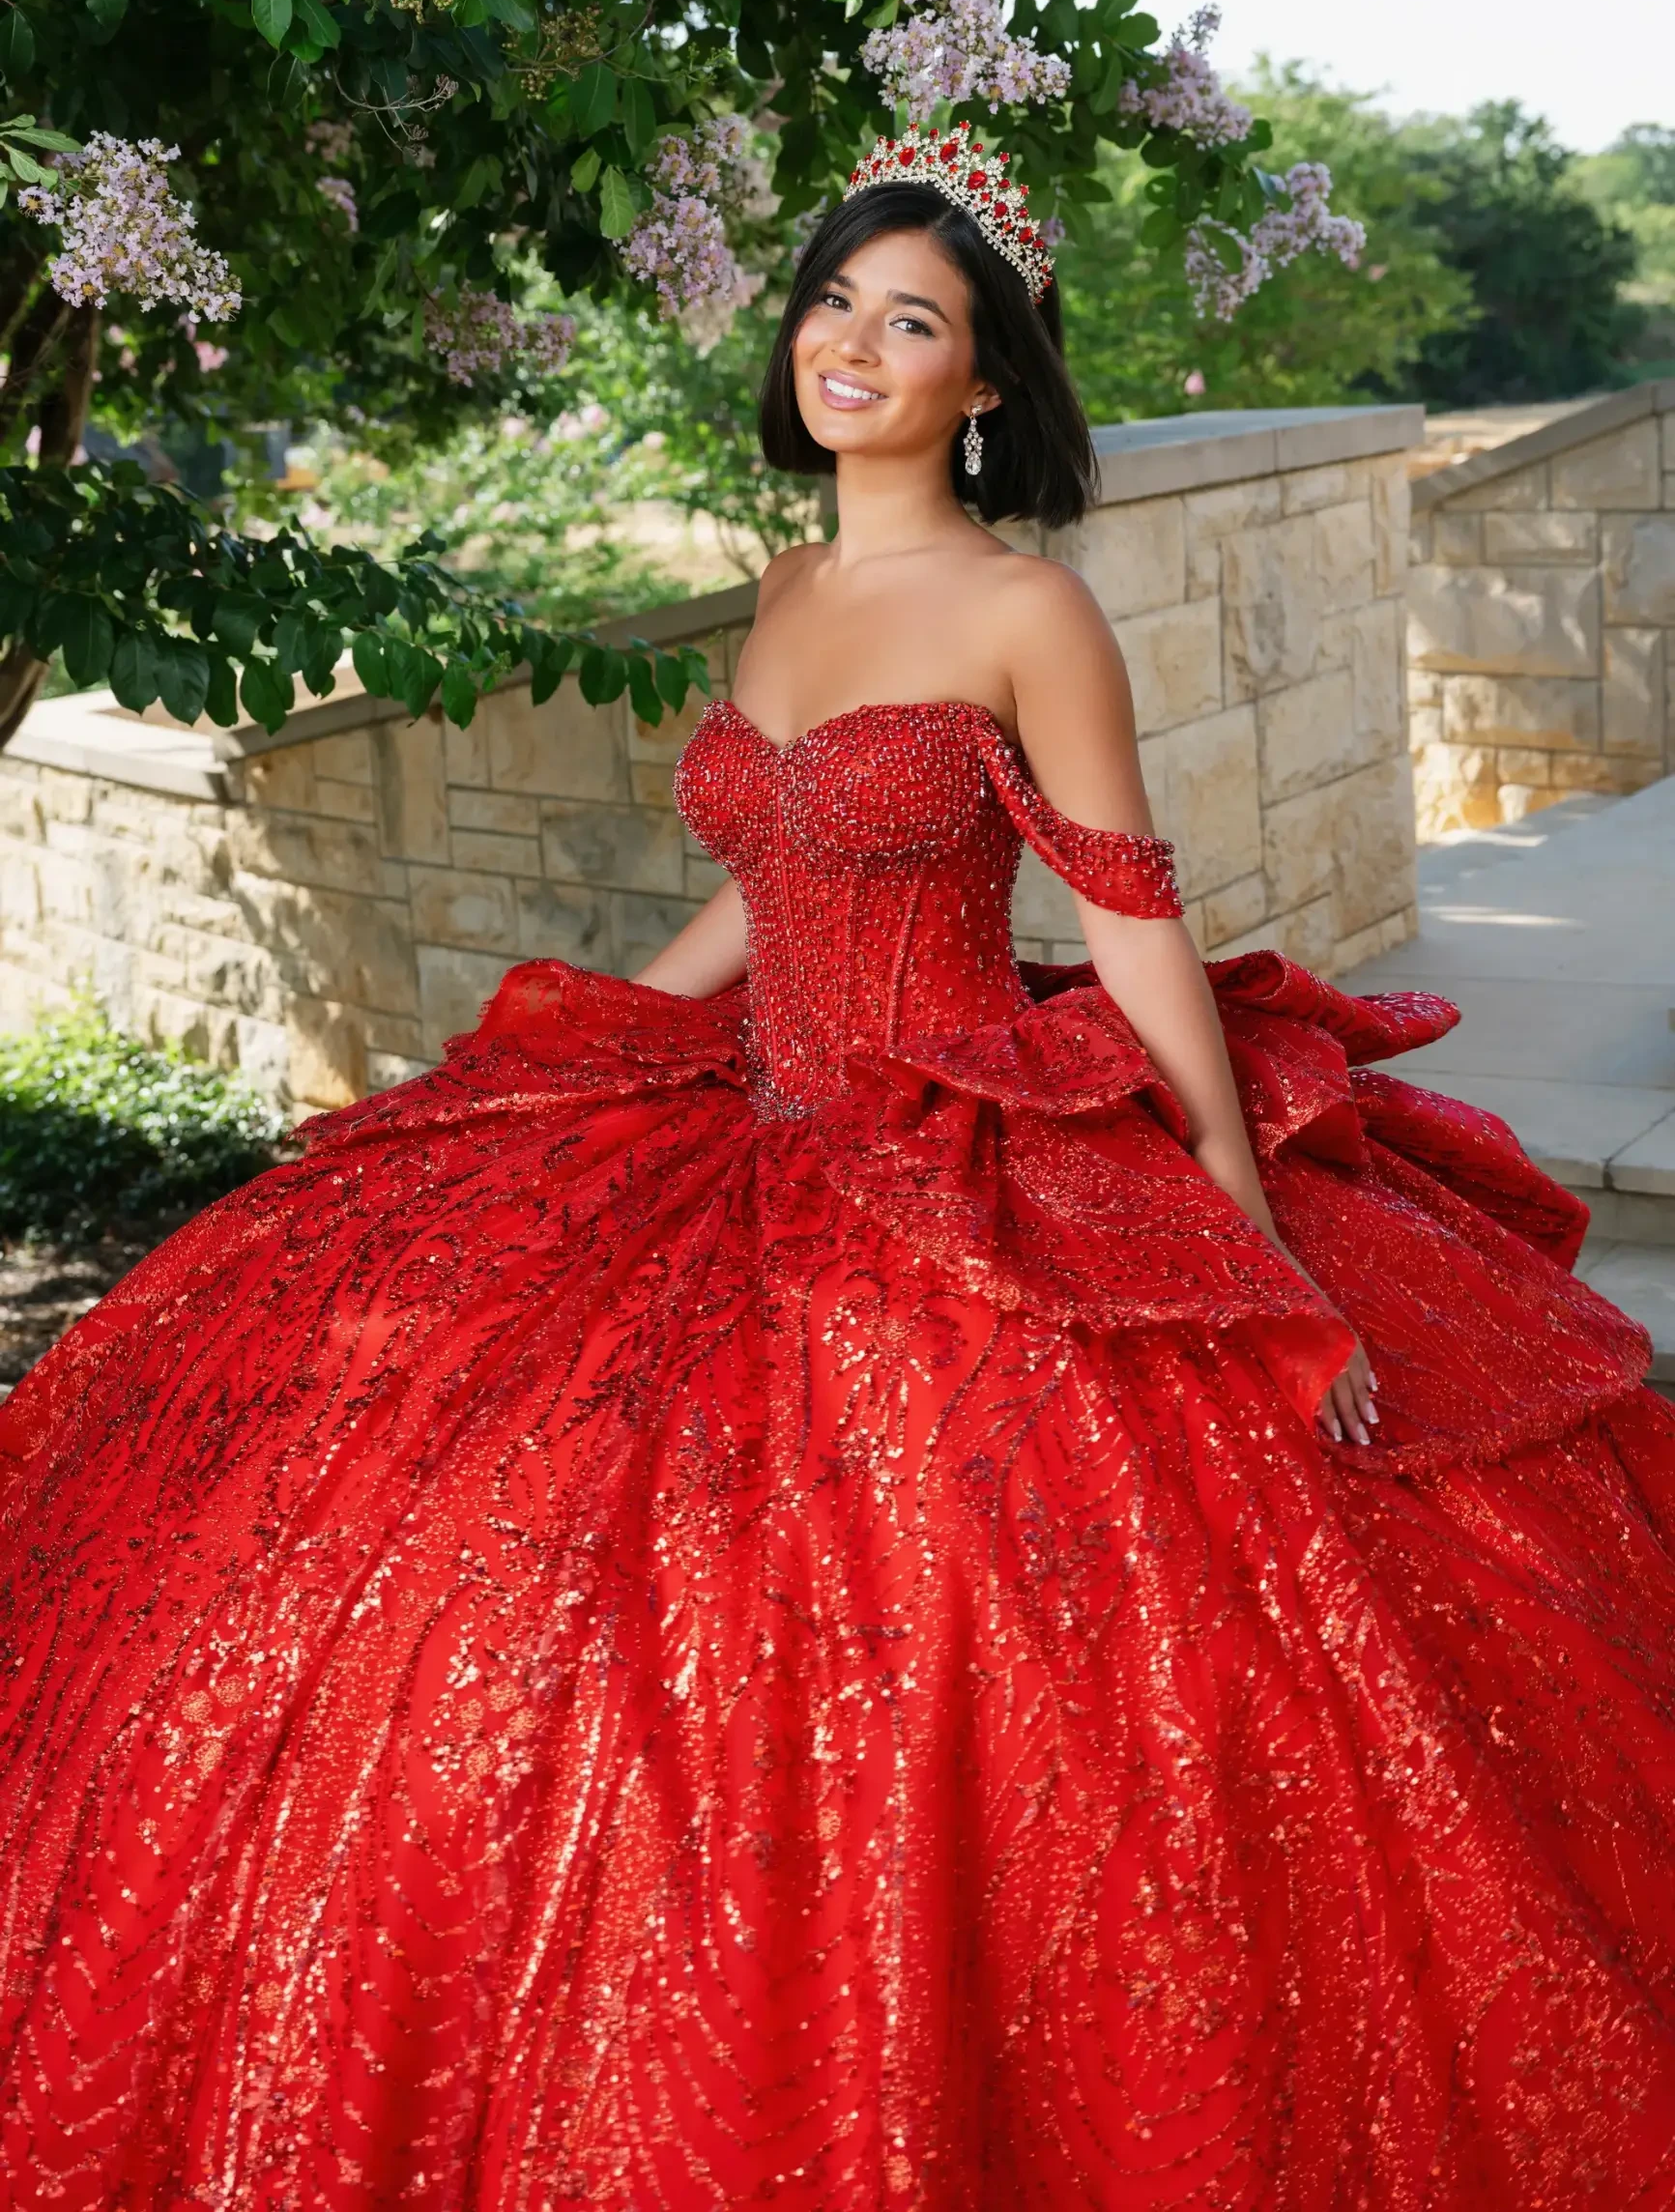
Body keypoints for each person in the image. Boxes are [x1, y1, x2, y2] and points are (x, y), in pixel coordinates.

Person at [3, 118, 1674, 2212]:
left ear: (985, 384)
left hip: (956, 1135)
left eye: (914, 319)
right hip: (753, 1118)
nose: (853, 344)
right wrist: (583, 1034)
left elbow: (1132, 915)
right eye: (831, 303)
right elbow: (764, 881)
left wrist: (1247, 1234)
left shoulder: (1023, 610)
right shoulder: (787, 586)